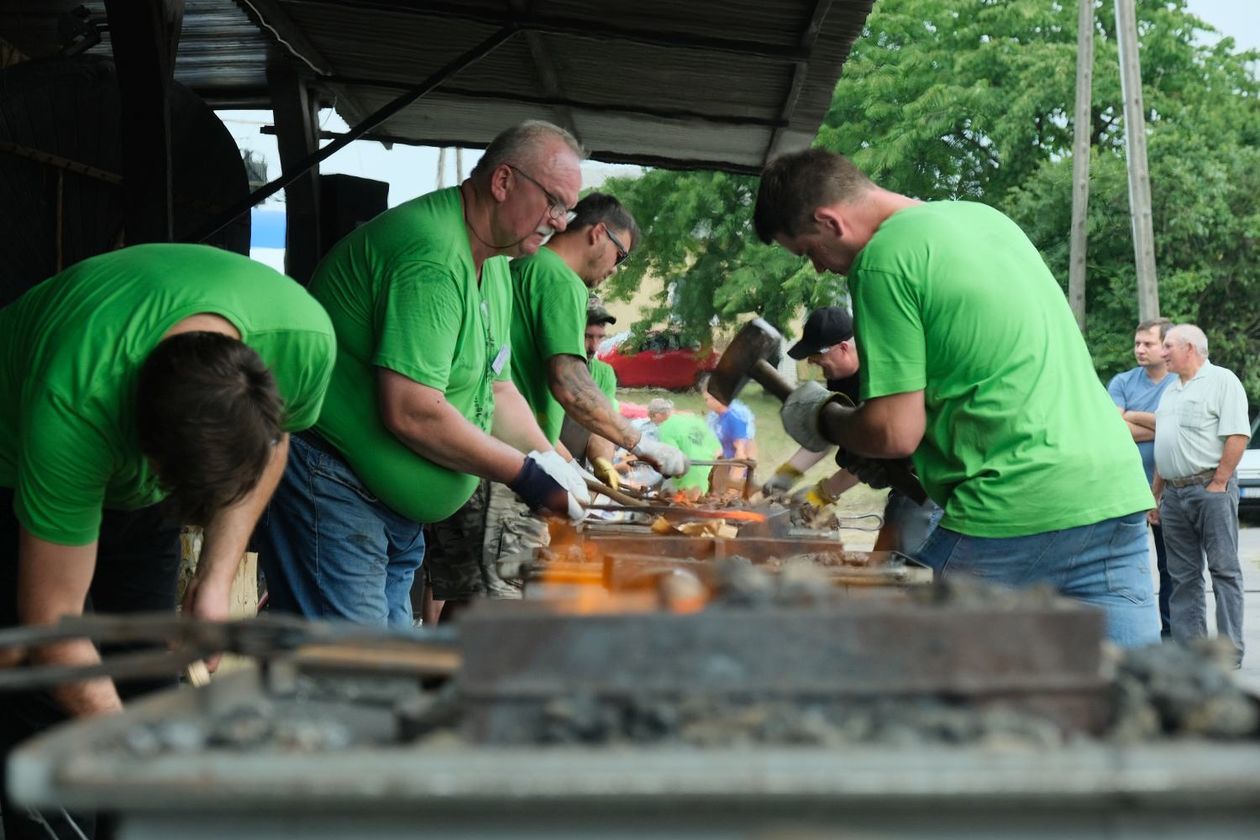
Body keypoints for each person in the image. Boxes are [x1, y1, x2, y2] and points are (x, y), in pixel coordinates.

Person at [752, 148, 1159, 647]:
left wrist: (822, 416)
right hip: (1112, 491)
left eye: (808, 252)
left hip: (1014, 501)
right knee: (1128, 695)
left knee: (923, 684)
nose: (817, 268)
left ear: (828, 221)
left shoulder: (882, 261)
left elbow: (894, 431)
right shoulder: (986, 219)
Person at [0, 243, 335, 840]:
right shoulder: (74, 406)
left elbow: (273, 444)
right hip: (14, 458)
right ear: (147, 452)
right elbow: (54, 625)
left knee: (150, 676)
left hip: (142, 457)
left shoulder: (304, 339)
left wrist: (212, 582)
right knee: (45, 702)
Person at [258, 120, 591, 629]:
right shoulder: (431, 255)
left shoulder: (495, 263)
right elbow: (411, 409)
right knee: (358, 678)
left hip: (390, 512)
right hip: (335, 488)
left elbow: (496, 386)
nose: (560, 221)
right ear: (502, 182)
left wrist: (547, 454)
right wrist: (525, 475)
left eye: (567, 208)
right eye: (554, 202)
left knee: (384, 674)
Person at [424, 196, 686, 614]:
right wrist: (642, 444)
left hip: (473, 458)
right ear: (598, 233)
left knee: (469, 601)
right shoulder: (560, 279)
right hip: (510, 472)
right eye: (621, 255)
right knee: (505, 608)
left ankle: (450, 680)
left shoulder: (517, 268)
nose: (615, 269)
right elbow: (570, 382)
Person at [763, 306, 941, 554]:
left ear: (843, 348)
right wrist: (785, 476)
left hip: (931, 482)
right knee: (890, 555)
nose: (813, 363)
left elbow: (874, 453)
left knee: (896, 560)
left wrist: (821, 495)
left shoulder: (880, 377)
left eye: (817, 356)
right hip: (902, 477)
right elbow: (830, 429)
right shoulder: (839, 375)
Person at [1151, 324, 1250, 666]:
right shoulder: (1170, 391)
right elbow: (1166, 446)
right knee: (1183, 577)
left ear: (1189, 348)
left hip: (1210, 488)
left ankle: (1228, 653)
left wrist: (1220, 482)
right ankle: (1192, 656)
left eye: (1167, 346)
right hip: (1175, 496)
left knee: (1224, 570)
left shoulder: (1222, 381)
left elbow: (1238, 434)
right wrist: (1156, 495)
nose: (1162, 353)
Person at [1108, 317, 1176, 636]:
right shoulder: (1122, 382)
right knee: (1126, 570)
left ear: (1165, 347)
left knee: (1171, 569)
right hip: (1123, 491)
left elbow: (1179, 429)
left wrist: (1131, 417)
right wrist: (1161, 424)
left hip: (1168, 492)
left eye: (1147, 343)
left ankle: (1170, 637)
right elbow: (1112, 429)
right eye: (1137, 343)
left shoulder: (1178, 384)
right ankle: (1132, 637)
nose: (1140, 349)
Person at [651, 398, 721, 500]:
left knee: (659, 492)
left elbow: (672, 458)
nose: (653, 423)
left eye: (651, 419)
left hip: (683, 483)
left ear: (656, 415)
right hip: (704, 482)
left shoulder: (665, 427)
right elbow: (718, 452)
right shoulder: (698, 420)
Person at [699, 374, 755, 493]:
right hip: (720, 466)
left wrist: (732, 487)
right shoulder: (713, 416)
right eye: (706, 399)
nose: (707, 402)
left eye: (709, 398)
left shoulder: (737, 415)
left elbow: (743, 454)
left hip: (734, 469)